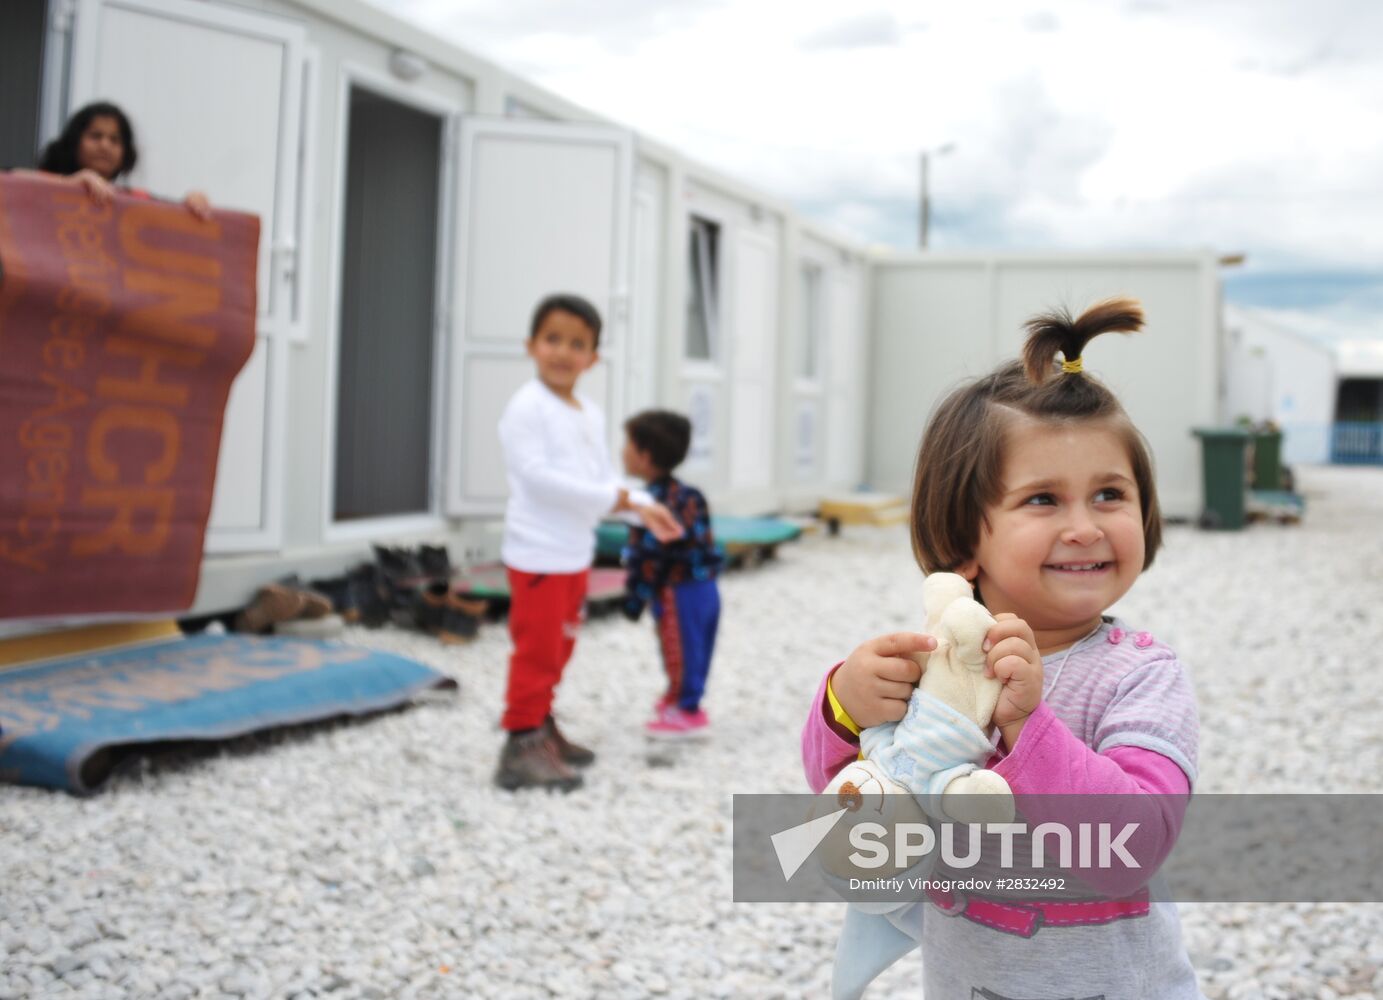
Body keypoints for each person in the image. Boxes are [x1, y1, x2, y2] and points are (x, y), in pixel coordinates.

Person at [801, 298, 1202, 998]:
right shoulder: (932, 664)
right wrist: (844, 707)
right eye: (1043, 499)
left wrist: (1027, 726)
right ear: (963, 540)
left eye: (1109, 494)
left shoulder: (1139, 676)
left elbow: (1133, 847)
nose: (1084, 527)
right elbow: (853, 804)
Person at [495, 293, 682, 792]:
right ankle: (520, 743)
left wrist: (642, 505)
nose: (563, 351)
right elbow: (538, 480)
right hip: (538, 554)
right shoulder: (527, 407)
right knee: (536, 652)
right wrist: (617, 497)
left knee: (559, 648)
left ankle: (541, 725)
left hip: (573, 554)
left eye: (576, 344)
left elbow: (601, 481)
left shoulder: (589, 414)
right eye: (552, 339)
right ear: (531, 345)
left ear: (593, 357)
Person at [620, 409, 722, 739]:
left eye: (628, 444)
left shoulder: (652, 504)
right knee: (691, 646)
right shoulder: (690, 495)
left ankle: (687, 711)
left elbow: (651, 556)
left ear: (645, 456)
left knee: (682, 648)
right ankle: (679, 696)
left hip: (679, 589)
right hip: (705, 585)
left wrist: (634, 600)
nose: (622, 451)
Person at [30, 101, 211, 219]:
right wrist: (68, 185)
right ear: (74, 142)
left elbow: (166, 222)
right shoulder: (38, 185)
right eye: (95, 136)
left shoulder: (133, 199)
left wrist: (189, 205)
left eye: (115, 140)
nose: (105, 145)